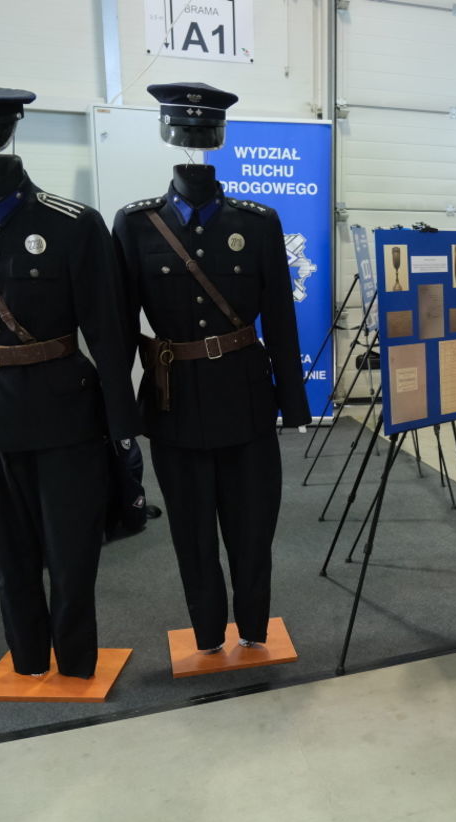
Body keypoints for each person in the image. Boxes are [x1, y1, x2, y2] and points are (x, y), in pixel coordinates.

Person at [0, 87, 140, 679]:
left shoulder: (72, 223)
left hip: (64, 417)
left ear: (8, 134)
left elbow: (108, 333)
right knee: (6, 558)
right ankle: (29, 661)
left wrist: (123, 427)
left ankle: (78, 661)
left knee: (71, 555)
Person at [111, 83, 311, 655]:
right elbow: (120, 326)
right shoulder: (136, 225)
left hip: (246, 400)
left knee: (253, 531)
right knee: (191, 535)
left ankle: (252, 628)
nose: (195, 141)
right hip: (173, 406)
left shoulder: (259, 222)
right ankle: (205, 634)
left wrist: (294, 405)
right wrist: (119, 414)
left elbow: (280, 317)